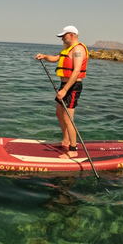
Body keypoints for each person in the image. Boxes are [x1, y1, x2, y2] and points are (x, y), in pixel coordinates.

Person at [35, 25, 88, 159]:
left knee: (68, 118)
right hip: (65, 85)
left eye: (63, 36)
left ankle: (73, 149)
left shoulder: (78, 50)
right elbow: (56, 58)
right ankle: (65, 141)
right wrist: (44, 56)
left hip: (72, 86)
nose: (62, 39)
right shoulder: (67, 49)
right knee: (59, 112)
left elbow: (76, 72)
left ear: (72, 35)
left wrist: (65, 90)